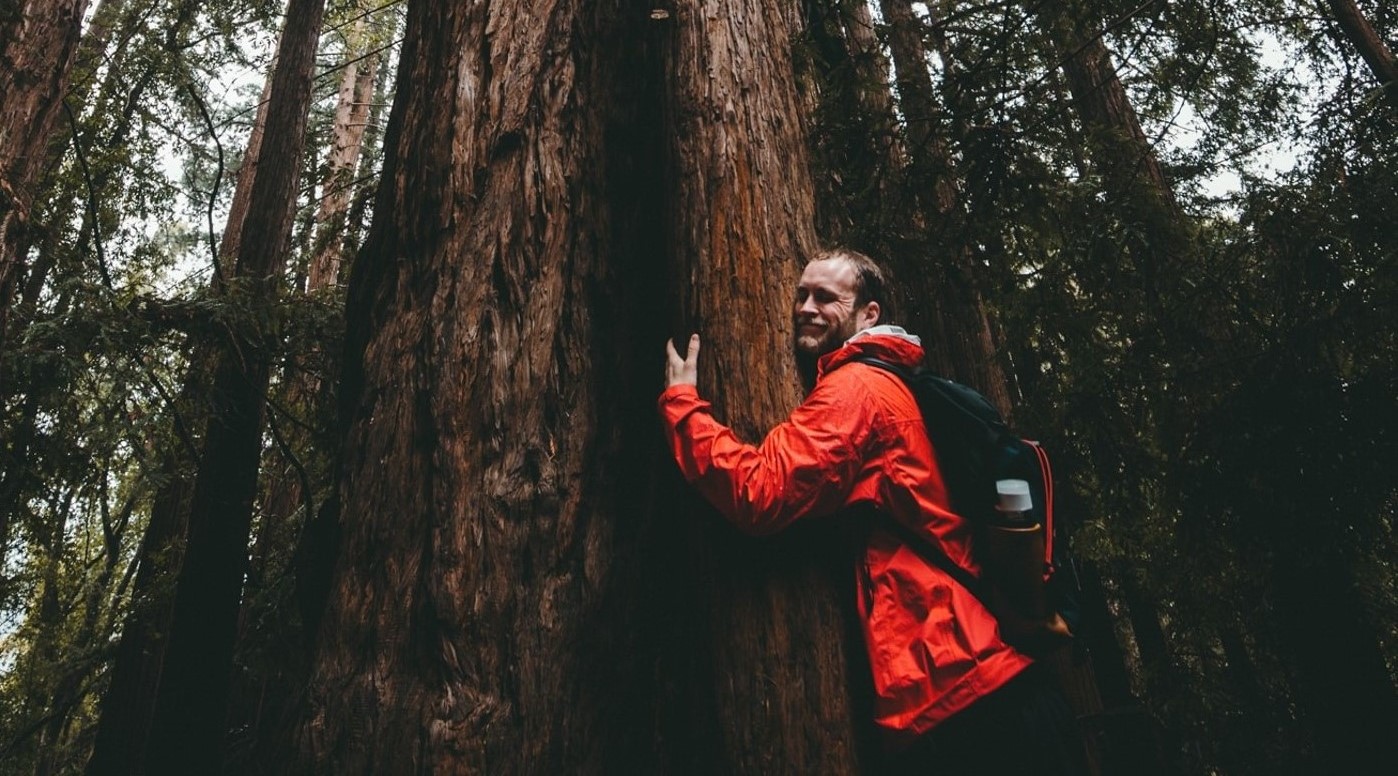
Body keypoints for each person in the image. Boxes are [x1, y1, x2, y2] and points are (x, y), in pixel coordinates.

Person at [659, 248, 1088, 774]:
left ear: (869, 315)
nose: (806, 308)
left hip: (963, 695)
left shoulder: (857, 389)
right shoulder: (890, 381)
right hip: (981, 682)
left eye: (826, 297)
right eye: (800, 295)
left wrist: (683, 405)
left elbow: (761, 490)